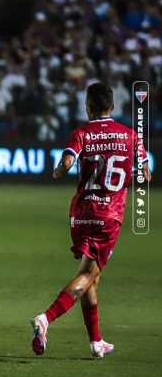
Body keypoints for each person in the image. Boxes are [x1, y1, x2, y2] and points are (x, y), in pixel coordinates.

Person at [31, 82, 150, 358]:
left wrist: (58, 173)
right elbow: (145, 174)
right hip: (108, 215)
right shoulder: (131, 136)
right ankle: (45, 319)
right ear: (113, 106)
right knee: (88, 275)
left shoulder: (81, 133)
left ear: (88, 107)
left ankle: (96, 342)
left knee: (91, 278)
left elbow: (66, 164)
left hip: (81, 213)